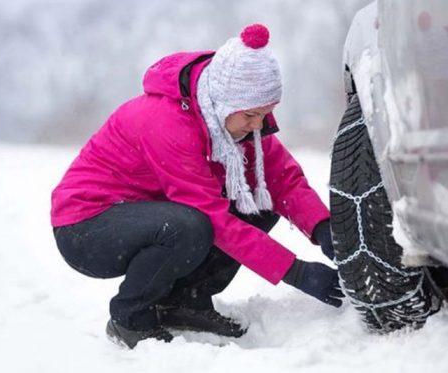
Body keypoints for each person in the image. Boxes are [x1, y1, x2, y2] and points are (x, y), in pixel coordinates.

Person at [51, 24, 344, 349]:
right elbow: (213, 219)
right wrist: (297, 272)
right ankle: (129, 319)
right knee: (189, 227)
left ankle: (185, 302)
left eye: (266, 113)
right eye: (251, 115)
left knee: (255, 203)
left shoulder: (235, 125)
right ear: (222, 103)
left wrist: (324, 229)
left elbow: (281, 180)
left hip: (150, 216)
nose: (258, 125)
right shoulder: (166, 123)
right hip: (85, 227)